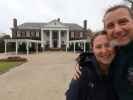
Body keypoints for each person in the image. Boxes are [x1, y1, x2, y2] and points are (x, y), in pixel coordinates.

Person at [70, 5, 133, 100]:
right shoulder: (118, 52)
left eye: (123, 22)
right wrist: (82, 61)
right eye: (110, 25)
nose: (117, 29)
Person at [66, 31, 117, 100]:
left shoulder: (123, 69)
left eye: (108, 45)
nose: (104, 51)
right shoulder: (82, 75)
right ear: (92, 50)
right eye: (98, 47)